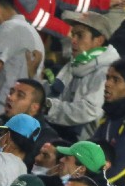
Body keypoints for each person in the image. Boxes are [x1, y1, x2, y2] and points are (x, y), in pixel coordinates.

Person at [44, 11, 119, 139]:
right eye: (73, 35)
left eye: (80, 35)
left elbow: (90, 110)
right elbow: (56, 93)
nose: (73, 40)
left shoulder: (107, 71)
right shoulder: (75, 63)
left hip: (87, 147)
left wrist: (49, 107)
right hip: (61, 132)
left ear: (99, 40)